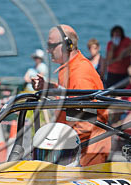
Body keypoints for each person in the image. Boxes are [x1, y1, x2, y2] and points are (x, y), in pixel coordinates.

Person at [31, 24, 109, 165]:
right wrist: (46, 86)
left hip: (86, 153)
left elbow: (85, 124)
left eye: (51, 45)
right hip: (75, 149)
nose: (48, 50)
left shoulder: (79, 74)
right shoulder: (71, 67)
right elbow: (68, 95)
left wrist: (58, 144)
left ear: (68, 46)